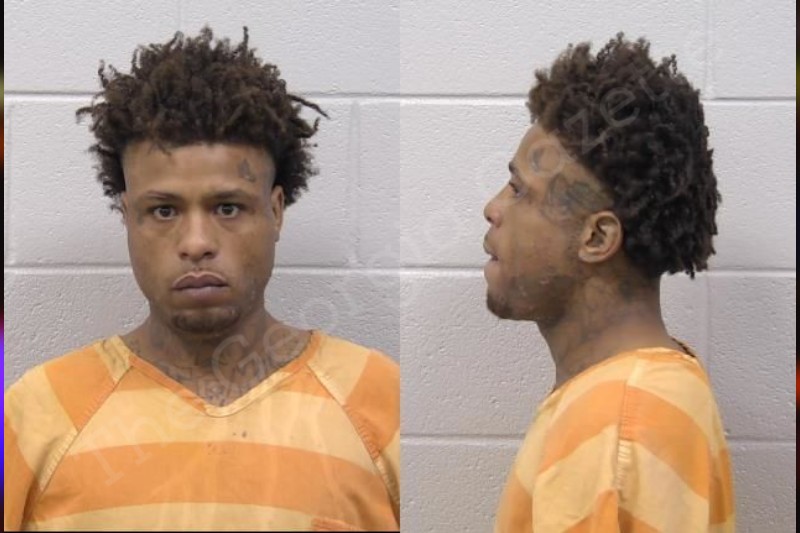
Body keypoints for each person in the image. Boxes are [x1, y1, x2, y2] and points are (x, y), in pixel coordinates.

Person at [4, 27, 399, 531]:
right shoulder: (40, 409)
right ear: (127, 216)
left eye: (227, 207)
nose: (196, 242)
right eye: (164, 210)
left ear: (276, 211)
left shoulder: (377, 396)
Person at [484, 34, 734, 532]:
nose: (493, 208)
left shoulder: (616, 424)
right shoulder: (644, 392)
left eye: (519, 191)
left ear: (596, 238)